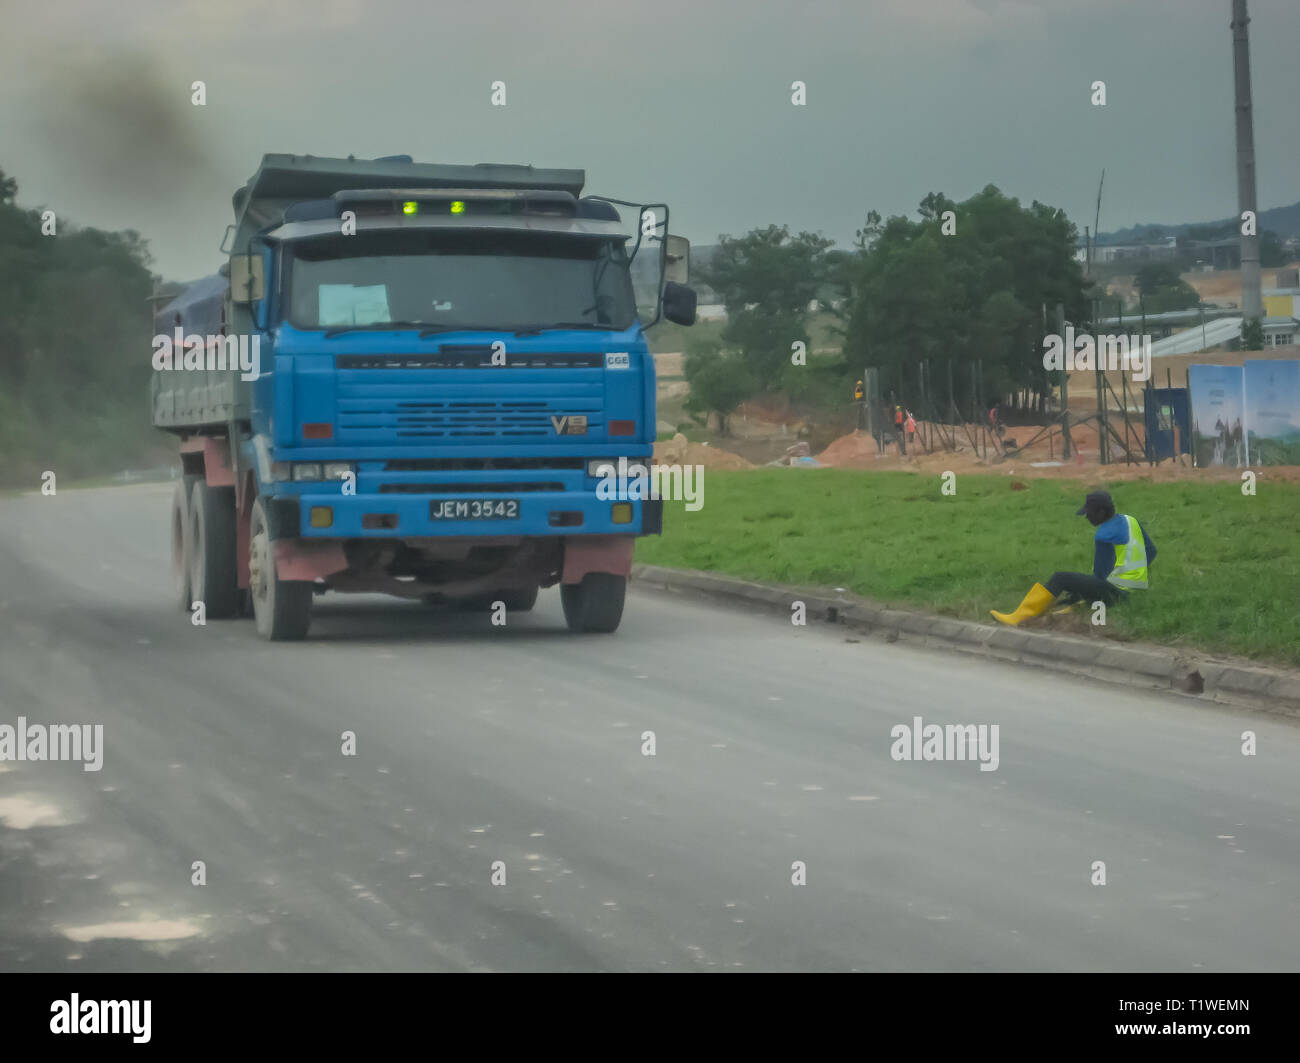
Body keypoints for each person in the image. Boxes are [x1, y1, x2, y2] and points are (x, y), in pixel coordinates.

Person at [990, 490, 1157, 627]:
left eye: (1089, 513)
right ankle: (1057, 614)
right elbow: (1151, 551)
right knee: (1074, 595)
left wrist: (1080, 590)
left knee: (1060, 578)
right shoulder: (1131, 521)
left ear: (1101, 512)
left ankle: (1020, 617)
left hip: (1116, 593)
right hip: (1135, 590)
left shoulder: (1104, 535)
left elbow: (1100, 576)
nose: (1086, 517)